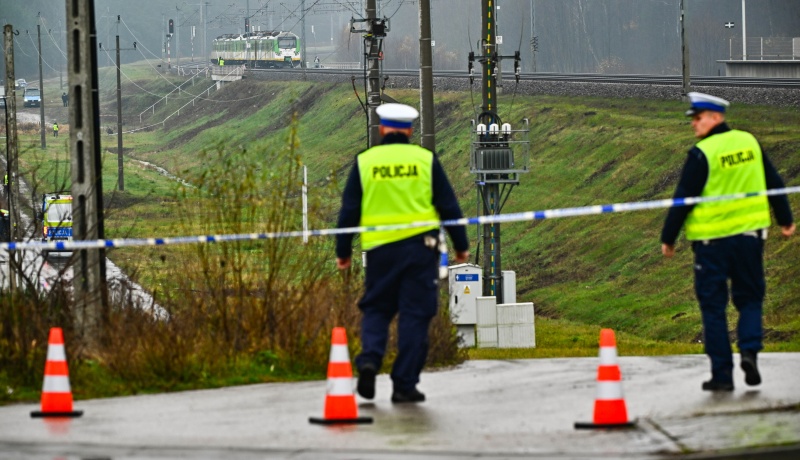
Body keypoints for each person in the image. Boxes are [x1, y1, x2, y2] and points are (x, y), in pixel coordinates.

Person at [661, 92, 795, 392]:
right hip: (749, 239)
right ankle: (749, 352)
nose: (694, 124)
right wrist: (785, 219)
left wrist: (668, 238)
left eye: (698, 118)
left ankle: (722, 375)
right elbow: (773, 182)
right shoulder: (749, 142)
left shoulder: (702, 153)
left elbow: (683, 198)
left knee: (713, 307)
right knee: (750, 299)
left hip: (712, 245)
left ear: (716, 117)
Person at [336, 103, 469, 404]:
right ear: (409, 130)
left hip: (379, 251)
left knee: (377, 308)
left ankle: (370, 360)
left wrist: (343, 251)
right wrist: (461, 245)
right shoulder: (425, 160)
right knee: (415, 314)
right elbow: (448, 206)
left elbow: (349, 210)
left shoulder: (365, 162)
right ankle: (404, 384)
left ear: (383, 128)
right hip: (419, 252)